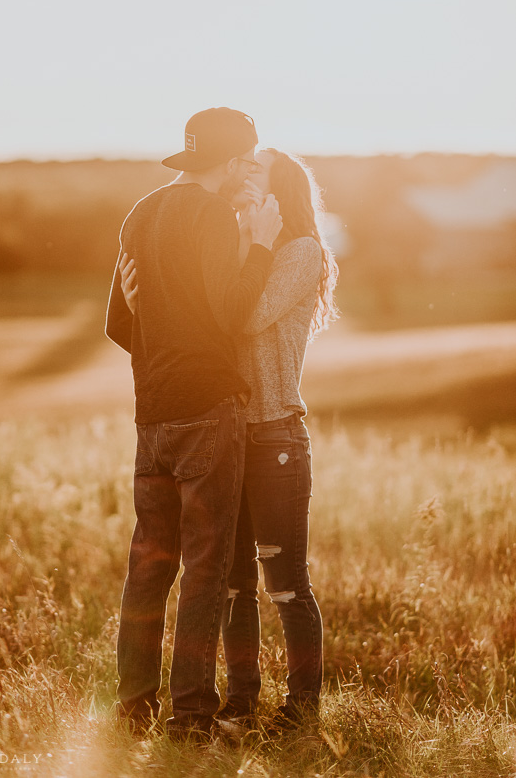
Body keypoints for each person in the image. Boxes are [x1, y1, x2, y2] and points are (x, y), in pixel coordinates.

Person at [121, 147, 339, 732]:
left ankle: (301, 712)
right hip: (227, 433)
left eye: (257, 171)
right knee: (237, 585)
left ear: (280, 192)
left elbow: (238, 318)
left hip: (274, 435)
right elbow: (204, 311)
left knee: (286, 585)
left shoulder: (299, 252)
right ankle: (242, 705)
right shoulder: (239, 247)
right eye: (241, 166)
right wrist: (144, 305)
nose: (244, 175)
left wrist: (254, 245)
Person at [105, 107, 282, 741]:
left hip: (152, 413)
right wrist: (260, 244)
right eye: (250, 160)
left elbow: (118, 324)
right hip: (209, 409)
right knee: (206, 568)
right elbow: (234, 313)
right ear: (233, 162)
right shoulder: (209, 215)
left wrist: (164, 342)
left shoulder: (141, 213)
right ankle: (191, 717)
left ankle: (132, 706)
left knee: (149, 563)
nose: (254, 170)